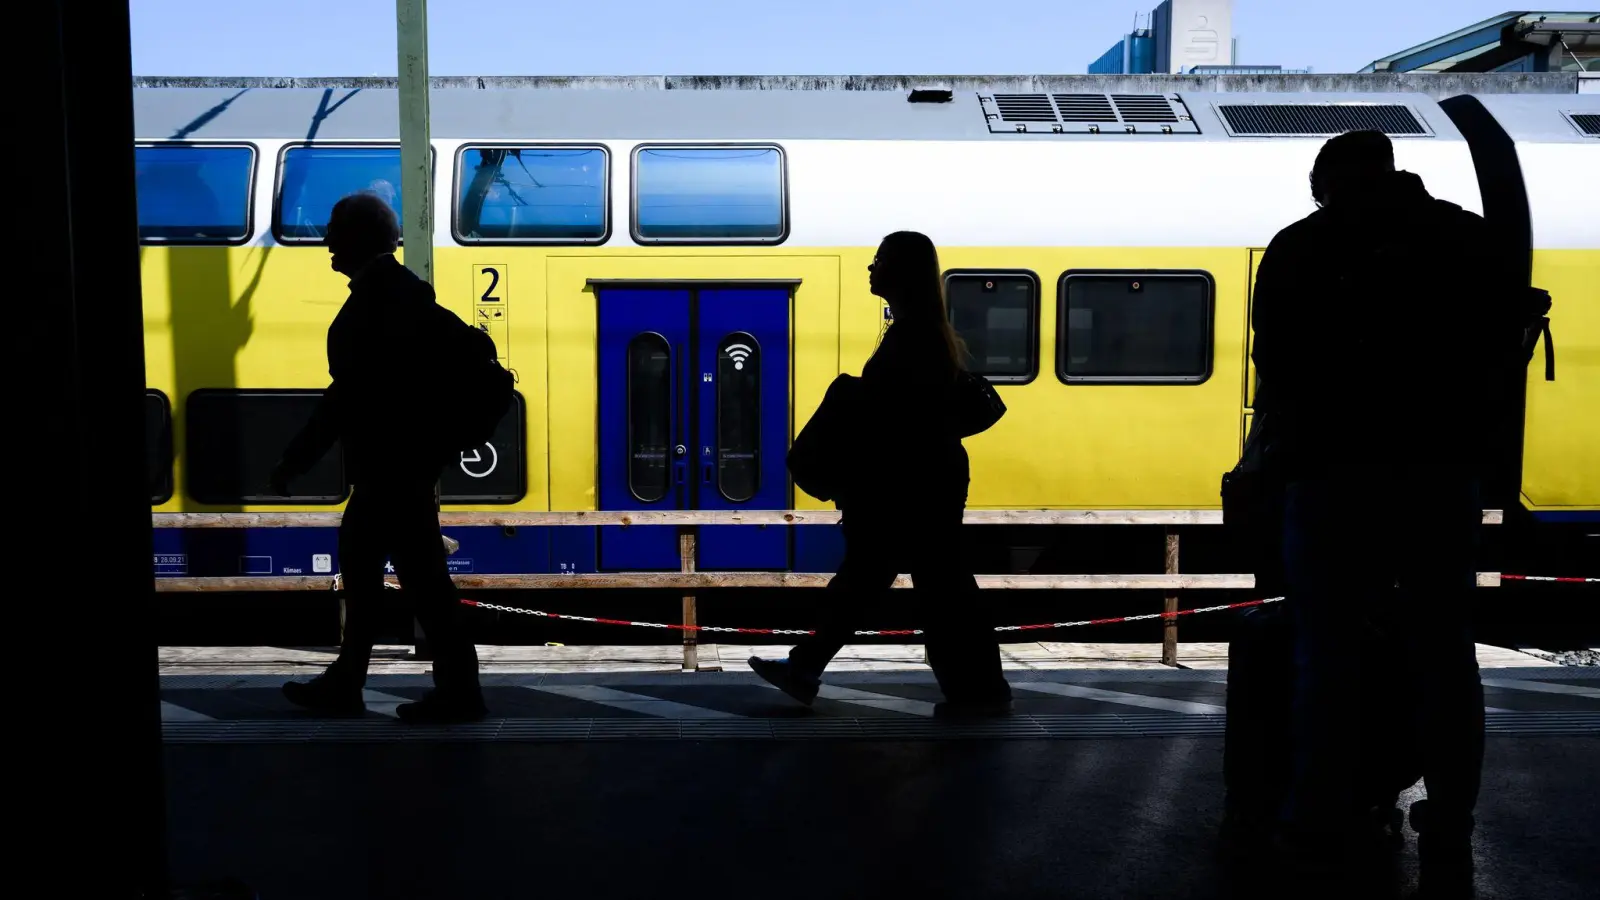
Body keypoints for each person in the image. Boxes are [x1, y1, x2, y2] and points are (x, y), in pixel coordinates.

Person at [1250, 131, 1519, 896]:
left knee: (1327, 653)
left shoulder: (1303, 246)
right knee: (1444, 655)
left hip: (1333, 476)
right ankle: (1452, 822)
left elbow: (1277, 366)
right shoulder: (1466, 238)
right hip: (1441, 476)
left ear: (1328, 182)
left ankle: (1318, 814)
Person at [748, 231, 1013, 717]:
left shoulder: (912, 337)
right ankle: (808, 668)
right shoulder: (921, 331)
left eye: (880, 261)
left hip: (910, 485)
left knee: (925, 588)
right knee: (914, 584)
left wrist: (852, 399)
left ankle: (980, 693)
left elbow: (897, 417)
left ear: (901, 272)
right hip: (923, 481)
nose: (871, 269)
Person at [270, 191, 486, 724]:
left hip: (390, 472)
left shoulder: (379, 302)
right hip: (400, 470)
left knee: (409, 583)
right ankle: (361, 682)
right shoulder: (401, 294)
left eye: (335, 230)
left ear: (360, 239)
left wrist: (296, 460)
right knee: (394, 580)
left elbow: (346, 397)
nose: (326, 241)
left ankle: (449, 692)